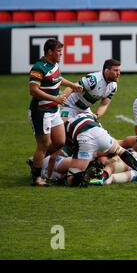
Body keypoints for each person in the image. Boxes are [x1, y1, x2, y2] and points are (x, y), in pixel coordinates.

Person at [28, 38, 82, 186]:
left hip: (53, 110)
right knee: (44, 144)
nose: (61, 54)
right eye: (58, 51)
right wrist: (55, 98)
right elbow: (33, 90)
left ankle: (35, 161)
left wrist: (72, 85)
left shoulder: (54, 64)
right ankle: (37, 178)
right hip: (41, 112)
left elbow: (58, 78)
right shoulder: (38, 68)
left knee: (59, 142)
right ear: (49, 52)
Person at [64, 112, 137, 188]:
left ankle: (89, 175)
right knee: (120, 150)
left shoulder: (64, 125)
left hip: (84, 139)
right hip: (100, 134)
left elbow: (69, 146)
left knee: (70, 180)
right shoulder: (87, 114)